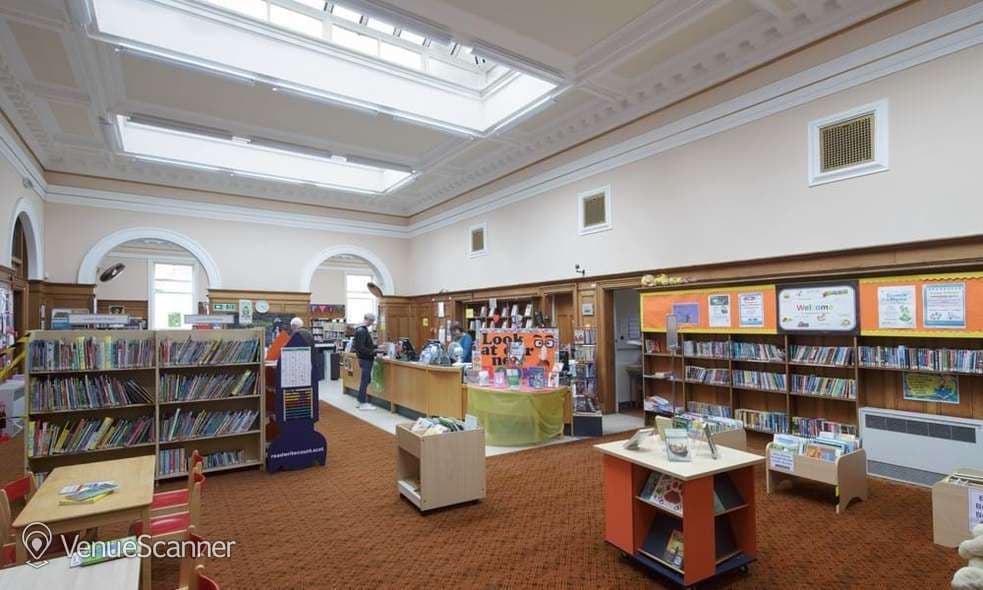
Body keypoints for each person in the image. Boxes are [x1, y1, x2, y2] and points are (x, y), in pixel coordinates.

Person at [353, 313, 377, 410]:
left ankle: (360, 400)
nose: (372, 324)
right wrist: (373, 351)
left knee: (365, 380)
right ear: (368, 320)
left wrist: (376, 347)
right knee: (365, 380)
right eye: (371, 321)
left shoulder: (360, 329)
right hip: (365, 358)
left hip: (363, 358)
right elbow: (361, 347)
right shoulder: (362, 330)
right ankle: (362, 402)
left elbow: (363, 345)